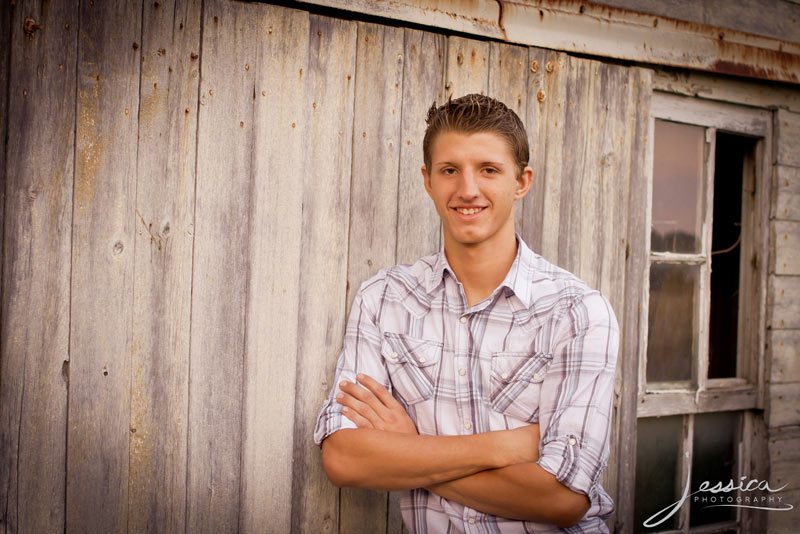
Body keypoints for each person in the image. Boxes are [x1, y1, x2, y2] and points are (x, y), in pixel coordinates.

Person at [313, 94, 619, 533]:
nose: (467, 189)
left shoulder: (576, 312)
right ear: (428, 180)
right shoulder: (385, 299)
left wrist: (412, 449)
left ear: (522, 181)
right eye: (450, 170)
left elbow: (563, 499)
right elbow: (344, 458)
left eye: (489, 169)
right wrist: (503, 448)